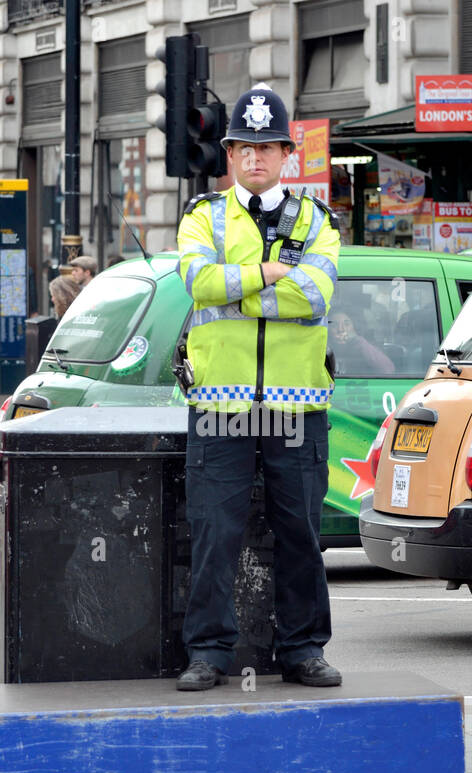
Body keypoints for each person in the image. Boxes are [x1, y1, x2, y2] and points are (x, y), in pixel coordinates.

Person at [174, 82, 342, 691]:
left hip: (297, 402)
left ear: (286, 153)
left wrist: (238, 284)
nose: (255, 158)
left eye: (267, 147)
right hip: (220, 399)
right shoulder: (203, 217)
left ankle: (303, 650)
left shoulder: (318, 221)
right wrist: (271, 272)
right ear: (229, 152)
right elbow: (196, 282)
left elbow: (316, 294)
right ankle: (208, 653)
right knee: (215, 530)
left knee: (301, 531)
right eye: (243, 146)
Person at [330, 312, 394, 375]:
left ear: (354, 328)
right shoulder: (323, 349)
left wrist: (358, 341)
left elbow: (388, 369)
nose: (341, 330)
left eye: (346, 324)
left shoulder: (364, 347)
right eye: (335, 325)